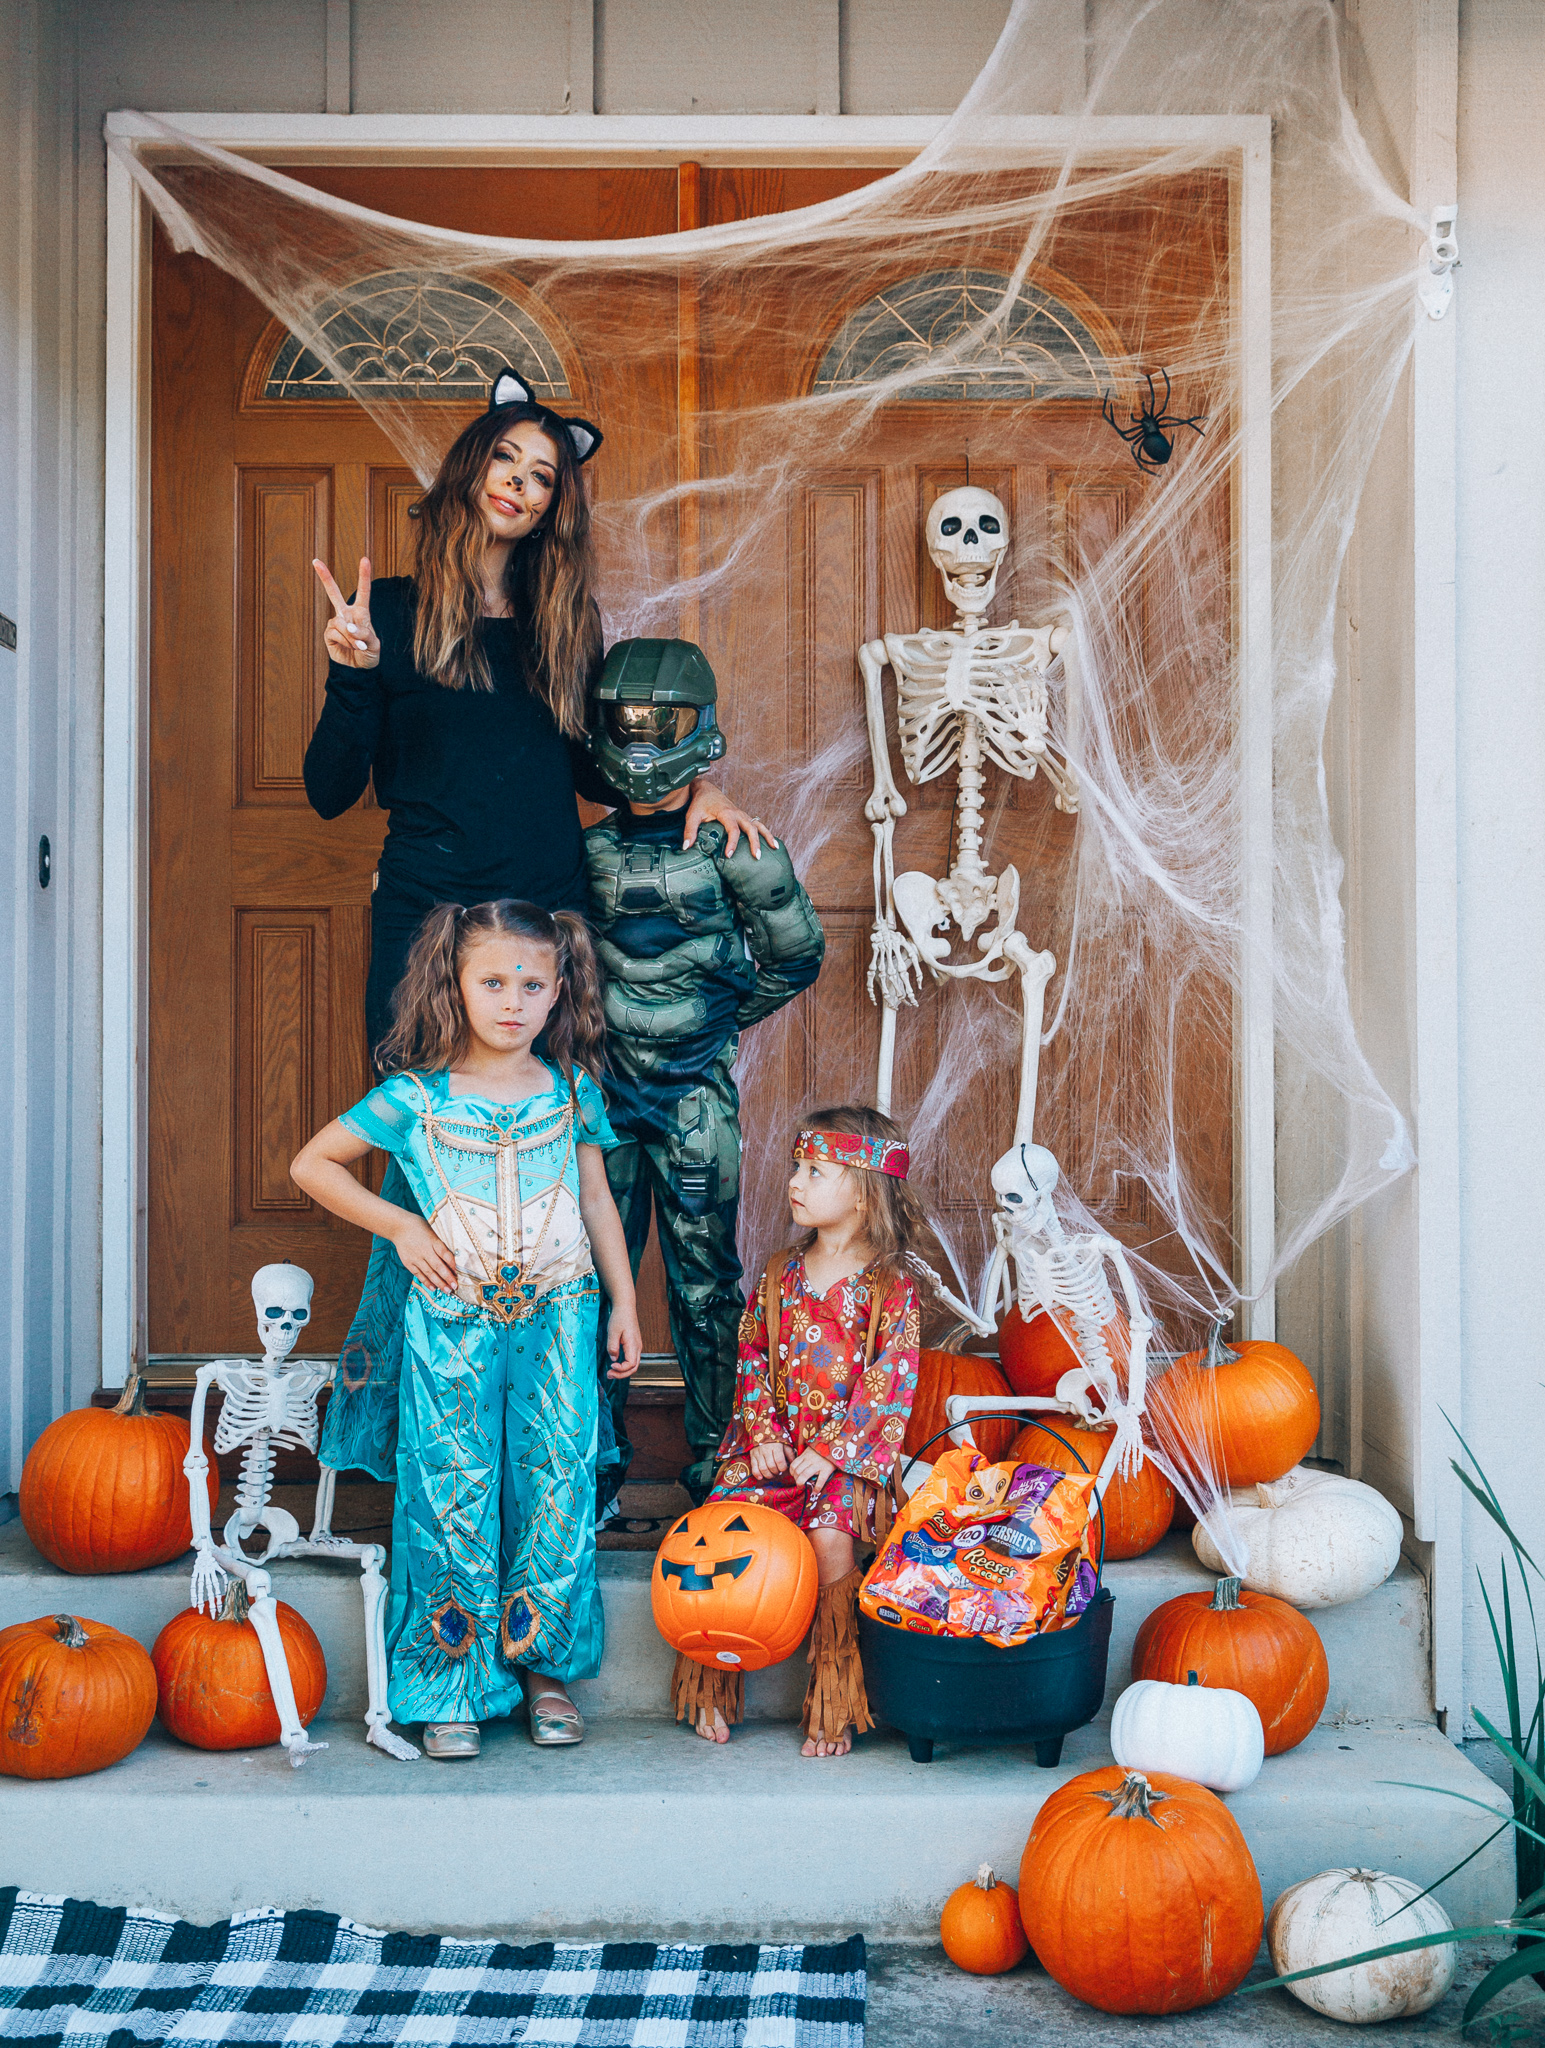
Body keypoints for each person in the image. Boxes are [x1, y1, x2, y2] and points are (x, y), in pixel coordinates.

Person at [304, 366, 773, 1059]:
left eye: (543, 476)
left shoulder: (565, 623)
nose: (519, 481)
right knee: (420, 1135)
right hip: (427, 916)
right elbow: (328, 792)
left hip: (546, 917)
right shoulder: (389, 614)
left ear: (552, 508)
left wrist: (695, 785)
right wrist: (354, 675)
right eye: (505, 458)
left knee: (550, 1132)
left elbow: (598, 774)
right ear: (472, 467)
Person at [291, 899, 641, 1760]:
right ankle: (447, 1679)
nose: (512, 1001)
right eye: (493, 981)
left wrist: (625, 1302)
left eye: (532, 983)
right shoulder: (415, 1096)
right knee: (451, 1488)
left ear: (561, 990)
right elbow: (312, 1164)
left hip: (560, 1315)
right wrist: (403, 1227)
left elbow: (597, 1199)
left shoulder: (571, 1091)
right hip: (453, 1321)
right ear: (455, 982)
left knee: (554, 1484)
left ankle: (544, 1670)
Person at [583, 638, 826, 1509]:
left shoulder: (741, 848)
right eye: (627, 720)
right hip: (599, 1105)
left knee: (706, 1289)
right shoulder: (583, 849)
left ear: (700, 726)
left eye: (664, 721)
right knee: (587, 1284)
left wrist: (715, 1023)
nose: (644, 739)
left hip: (691, 1099)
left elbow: (796, 956)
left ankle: (722, 1467)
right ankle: (590, 1472)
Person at [672, 1106, 924, 1759]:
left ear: (866, 1195)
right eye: (797, 1167)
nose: (796, 1181)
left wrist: (832, 1451)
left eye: (816, 1171)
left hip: (845, 1460)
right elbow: (753, 1353)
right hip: (774, 1446)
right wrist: (760, 1434)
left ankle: (833, 1699)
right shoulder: (781, 1272)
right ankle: (712, 1680)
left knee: (830, 1540)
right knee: (726, 1513)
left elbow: (888, 1381)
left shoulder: (889, 1289)